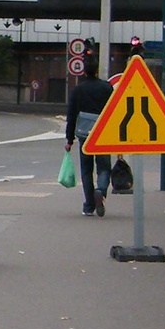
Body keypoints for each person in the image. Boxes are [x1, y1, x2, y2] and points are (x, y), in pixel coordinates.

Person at [65, 63, 114, 216]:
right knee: (104, 167)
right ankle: (101, 190)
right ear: (97, 70)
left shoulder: (78, 89)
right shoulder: (107, 88)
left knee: (86, 170)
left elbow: (71, 115)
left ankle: (89, 206)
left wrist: (69, 139)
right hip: (103, 134)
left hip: (84, 134)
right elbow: (114, 110)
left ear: (84, 72)